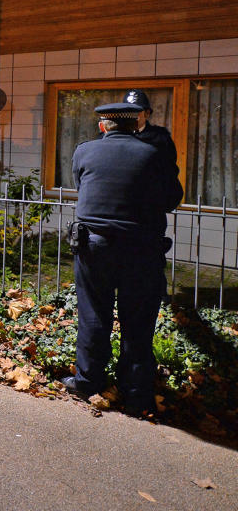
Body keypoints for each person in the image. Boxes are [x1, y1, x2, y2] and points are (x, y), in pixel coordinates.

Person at [63, 101, 183, 417]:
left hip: (94, 247)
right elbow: (172, 199)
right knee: (138, 322)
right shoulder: (156, 154)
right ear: (135, 125)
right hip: (141, 249)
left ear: (104, 126)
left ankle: (88, 381)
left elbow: (83, 186)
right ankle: (136, 393)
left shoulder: (84, 151)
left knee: (93, 313)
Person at [122, 89, 179, 176]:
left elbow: (170, 171)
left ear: (147, 113)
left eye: (135, 111)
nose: (131, 116)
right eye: (127, 111)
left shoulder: (161, 138)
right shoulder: (116, 136)